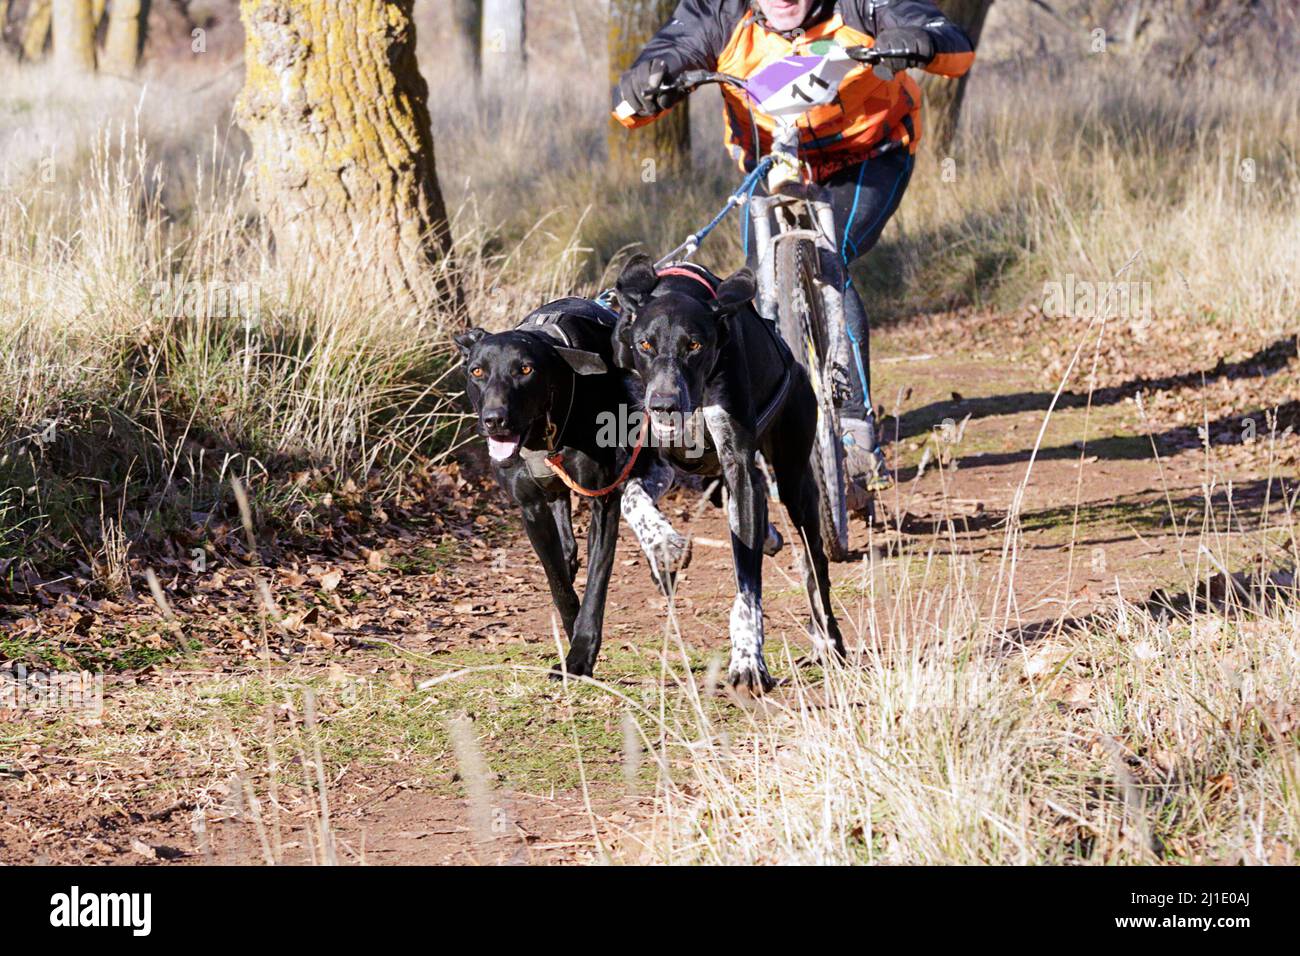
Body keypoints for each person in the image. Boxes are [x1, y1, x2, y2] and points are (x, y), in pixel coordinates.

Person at [613, 0, 974, 505]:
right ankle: (755, 428)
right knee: (751, 295)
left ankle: (854, 429)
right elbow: (661, 60)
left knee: (829, 258)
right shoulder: (719, 12)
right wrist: (648, 83)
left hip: (869, 155)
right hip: (773, 160)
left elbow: (953, 46)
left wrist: (921, 40)